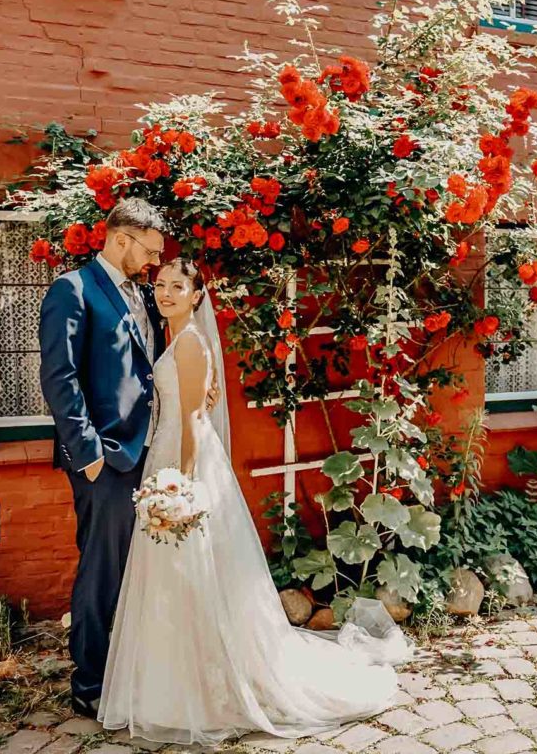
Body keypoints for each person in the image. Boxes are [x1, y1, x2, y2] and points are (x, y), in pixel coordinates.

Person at [97, 258, 409, 747]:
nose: (165, 293)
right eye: (159, 285)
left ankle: (208, 685)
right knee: (171, 577)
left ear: (197, 295)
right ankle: (167, 685)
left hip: (184, 467)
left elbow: (194, 421)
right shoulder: (172, 340)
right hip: (165, 460)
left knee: (194, 573)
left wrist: (179, 484)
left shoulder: (192, 345)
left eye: (178, 286)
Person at [37, 197, 168, 719]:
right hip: (105, 460)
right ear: (121, 239)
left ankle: (126, 668)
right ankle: (89, 681)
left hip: (145, 453)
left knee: (137, 568)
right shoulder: (72, 289)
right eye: (151, 251)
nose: (155, 262)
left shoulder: (138, 293)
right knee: (101, 570)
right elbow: (59, 377)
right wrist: (87, 453)